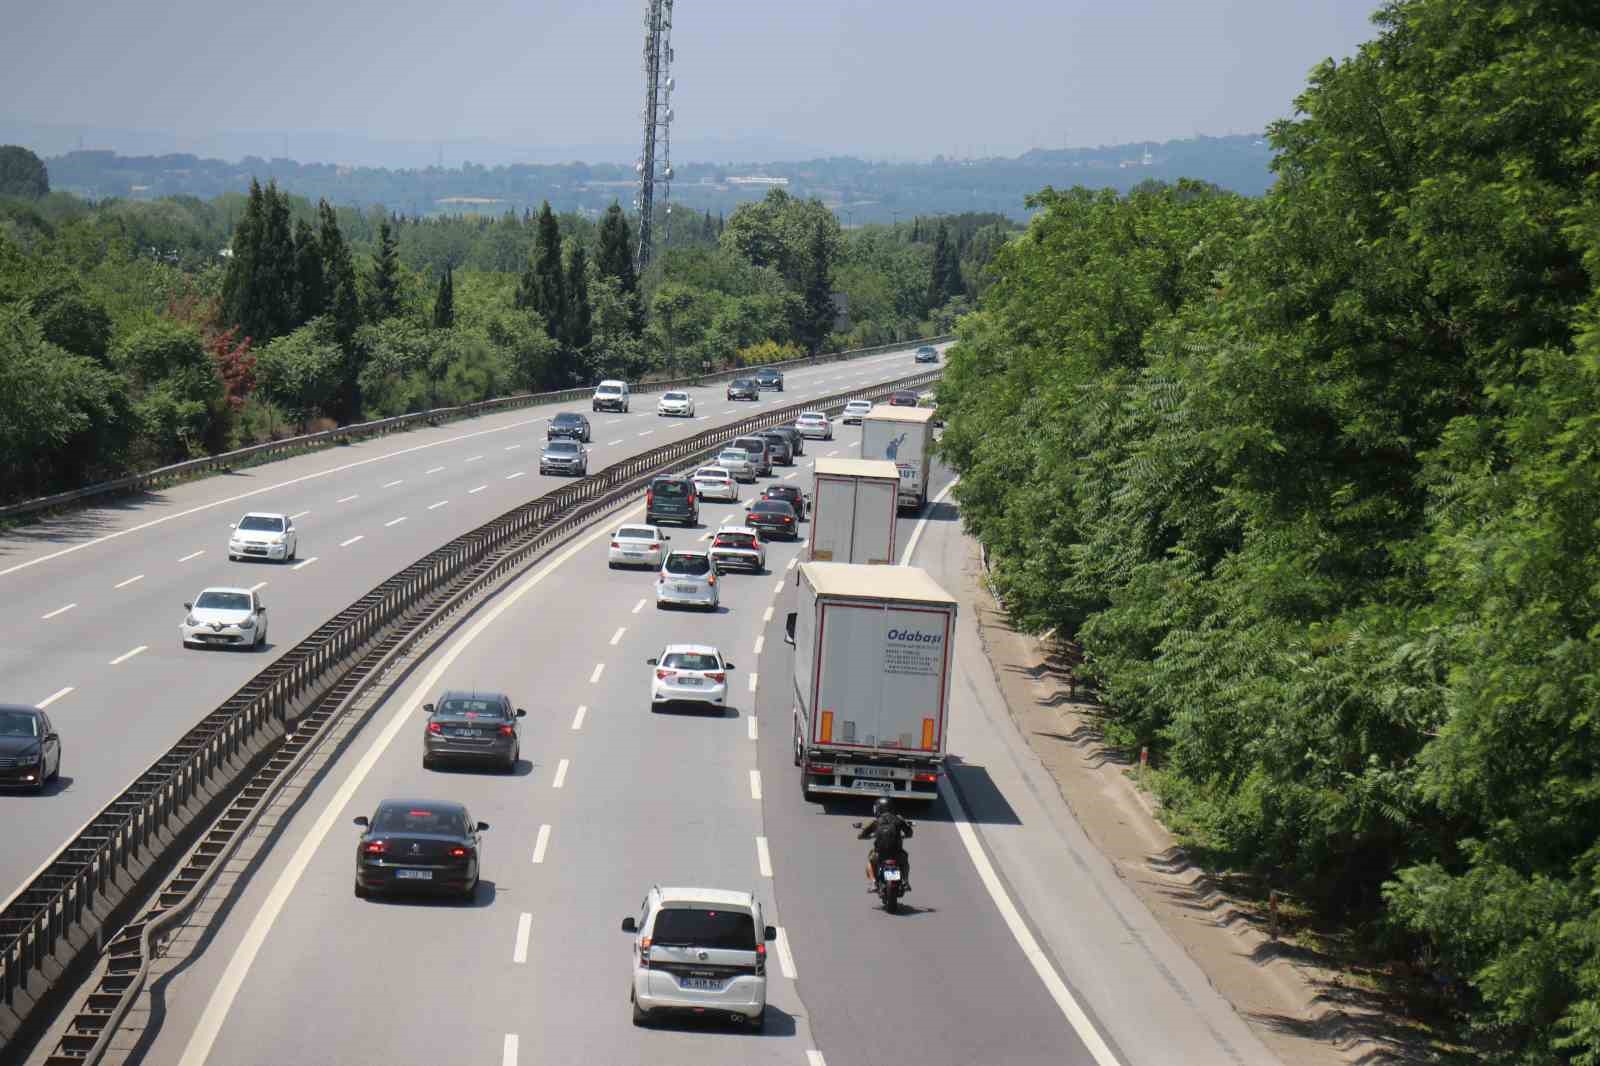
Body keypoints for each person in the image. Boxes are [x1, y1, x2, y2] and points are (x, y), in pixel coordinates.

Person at [858, 797, 913, 892]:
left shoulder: (875, 822)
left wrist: (868, 836)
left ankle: (873, 883)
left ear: (878, 808)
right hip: (897, 853)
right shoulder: (898, 819)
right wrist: (903, 835)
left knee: (870, 862)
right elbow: (909, 833)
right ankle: (905, 881)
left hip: (880, 854)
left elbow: (861, 835)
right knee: (905, 861)